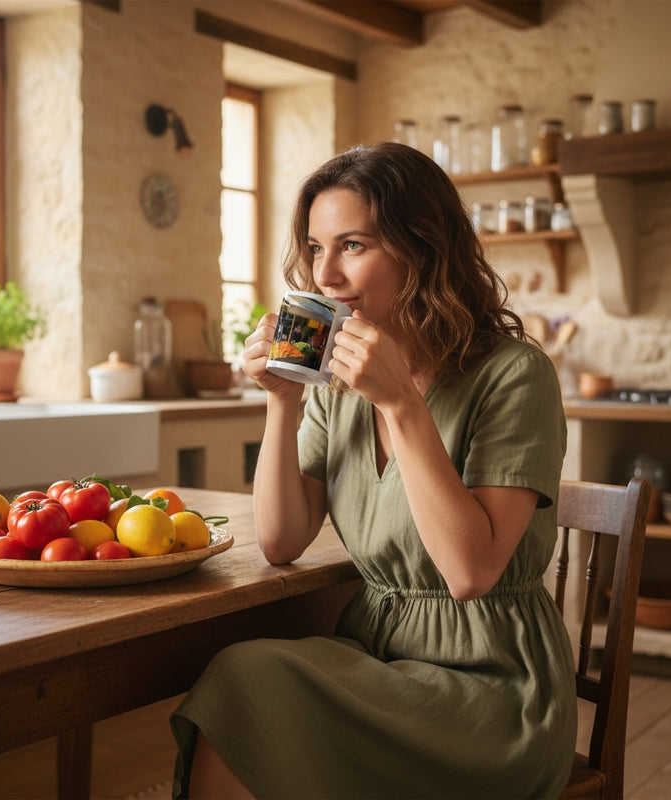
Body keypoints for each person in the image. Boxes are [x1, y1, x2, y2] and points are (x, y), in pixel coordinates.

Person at [170, 142, 576, 799]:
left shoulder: (513, 374)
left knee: (248, 680)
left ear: (423, 250)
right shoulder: (335, 384)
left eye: (352, 245)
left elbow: (470, 573)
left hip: (493, 693)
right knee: (246, 685)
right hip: (377, 662)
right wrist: (283, 401)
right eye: (314, 248)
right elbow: (281, 541)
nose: (324, 274)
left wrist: (400, 403)